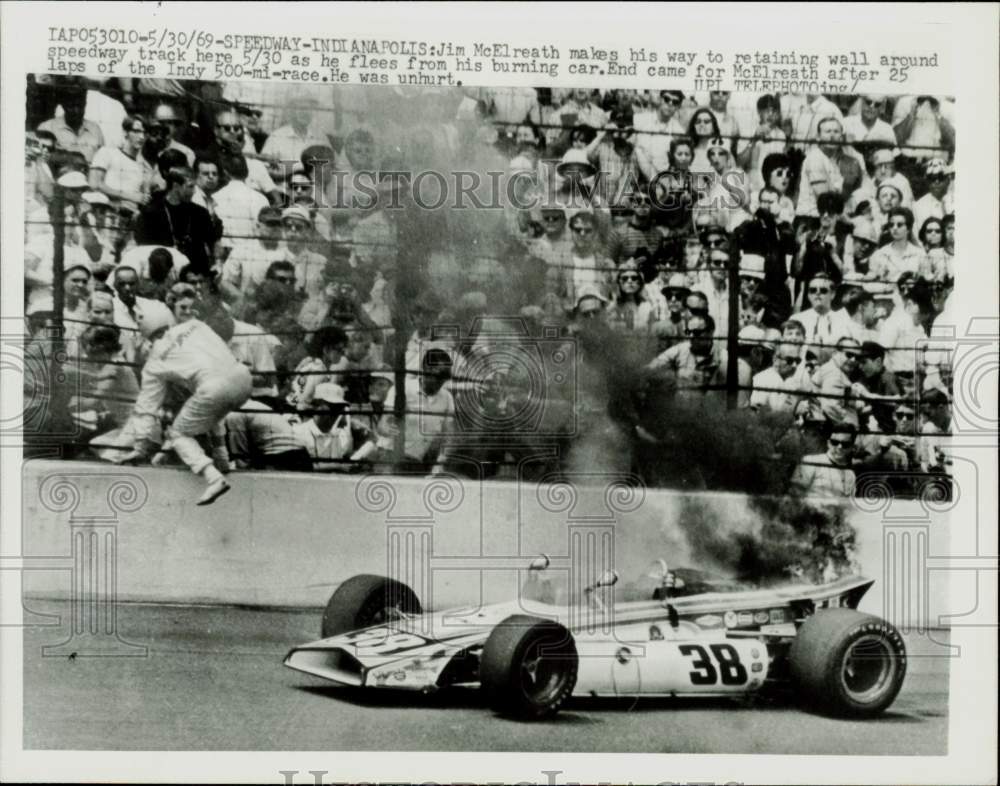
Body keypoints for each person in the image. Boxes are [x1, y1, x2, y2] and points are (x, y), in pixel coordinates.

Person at [113, 301, 252, 505]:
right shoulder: (197, 325)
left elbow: (147, 406)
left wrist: (140, 445)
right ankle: (222, 460)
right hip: (243, 377)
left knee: (178, 433)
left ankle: (213, 477)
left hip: (212, 388)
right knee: (210, 411)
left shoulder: (154, 361)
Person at [378, 348, 456, 474]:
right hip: (390, 457)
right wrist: (387, 429)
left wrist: (440, 462)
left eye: (446, 376)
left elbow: (449, 436)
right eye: (439, 375)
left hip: (416, 462)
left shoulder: (447, 397)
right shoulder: (403, 388)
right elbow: (383, 424)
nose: (442, 381)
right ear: (425, 370)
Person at [133, 164, 219, 268]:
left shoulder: (200, 213)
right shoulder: (150, 213)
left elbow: (213, 242)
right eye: (190, 186)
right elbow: (143, 247)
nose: (194, 191)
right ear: (176, 186)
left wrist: (217, 263)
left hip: (195, 272)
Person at [88, 114, 153, 215]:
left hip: (130, 221)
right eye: (136, 131)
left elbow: (144, 198)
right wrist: (129, 196)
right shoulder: (107, 152)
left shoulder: (144, 166)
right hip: (105, 215)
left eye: (145, 133)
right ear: (125, 132)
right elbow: (94, 184)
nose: (141, 137)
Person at [292, 382, 357, 468]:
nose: (336, 413)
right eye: (332, 407)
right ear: (316, 405)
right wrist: (340, 467)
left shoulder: (341, 436)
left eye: (339, 408)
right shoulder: (299, 433)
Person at [790, 421, 858, 497]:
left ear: (852, 447)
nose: (839, 447)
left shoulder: (850, 474)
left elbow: (849, 504)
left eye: (845, 444)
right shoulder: (811, 462)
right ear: (828, 443)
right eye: (835, 442)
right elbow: (795, 494)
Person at [634, 90, 686, 180]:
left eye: (675, 102)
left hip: (663, 181)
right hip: (637, 177)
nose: (670, 104)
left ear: (678, 107)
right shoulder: (639, 120)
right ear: (660, 99)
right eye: (666, 99)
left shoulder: (679, 131)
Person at [870, 207, 925, 283]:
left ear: (908, 228)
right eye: (891, 225)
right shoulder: (879, 254)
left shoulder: (920, 254)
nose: (895, 228)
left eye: (900, 225)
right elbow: (871, 280)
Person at [750, 341, 806, 412]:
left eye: (798, 361)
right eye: (789, 360)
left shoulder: (788, 381)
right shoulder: (764, 379)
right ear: (775, 359)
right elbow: (758, 413)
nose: (794, 365)